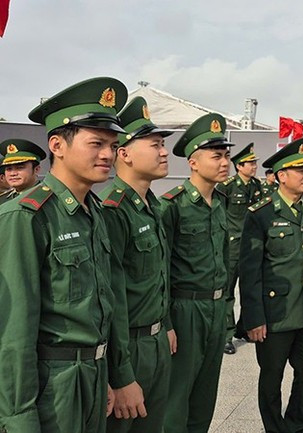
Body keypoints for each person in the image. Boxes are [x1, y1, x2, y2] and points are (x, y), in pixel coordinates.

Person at [0, 76, 127, 432]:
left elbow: (106, 302)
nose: (108, 154)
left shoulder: (95, 212)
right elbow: (13, 333)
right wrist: (18, 418)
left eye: (113, 145)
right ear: (57, 144)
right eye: (96, 143)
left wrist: (109, 375)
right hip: (51, 388)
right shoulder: (26, 217)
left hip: (92, 378)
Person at [239, 137, 303, 433]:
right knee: (271, 379)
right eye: (300, 170)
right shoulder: (261, 213)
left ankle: (297, 426)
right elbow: (250, 270)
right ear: (281, 176)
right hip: (274, 314)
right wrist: (254, 318)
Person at [100, 97, 174, 433]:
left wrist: (167, 323)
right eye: (155, 144)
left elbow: (157, 277)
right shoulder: (113, 210)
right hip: (128, 346)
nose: (164, 152)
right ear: (124, 153)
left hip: (156, 341)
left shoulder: (151, 206)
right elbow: (110, 296)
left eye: (163, 145)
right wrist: (121, 373)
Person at [161, 113, 233, 433]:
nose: (224, 162)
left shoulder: (221, 202)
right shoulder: (172, 206)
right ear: (193, 161)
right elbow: (160, 270)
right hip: (185, 308)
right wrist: (166, 322)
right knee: (178, 398)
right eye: (216, 156)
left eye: (226, 155)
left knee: (206, 395)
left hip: (216, 307)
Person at [218, 143, 262, 354]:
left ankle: (243, 327)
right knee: (228, 289)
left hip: (252, 245)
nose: (254, 167)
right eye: (250, 163)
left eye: (255, 163)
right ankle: (226, 334)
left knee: (250, 286)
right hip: (233, 245)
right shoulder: (227, 185)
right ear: (239, 166)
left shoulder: (257, 186)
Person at [0, 139, 46, 205]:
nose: (13, 174)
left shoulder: (48, 198)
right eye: (9, 169)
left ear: (36, 169)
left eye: (20, 168)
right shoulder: (2, 200)